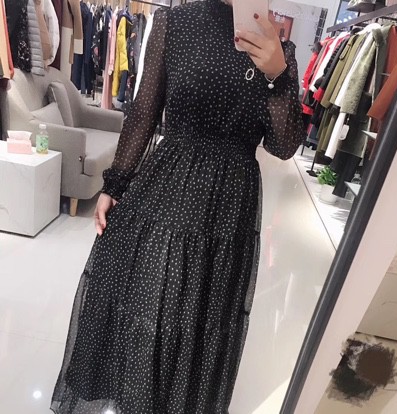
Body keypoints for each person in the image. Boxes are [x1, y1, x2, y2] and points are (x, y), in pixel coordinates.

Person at [51, 0, 304, 413]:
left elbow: (284, 145)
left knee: (201, 319)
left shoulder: (279, 47)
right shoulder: (175, 23)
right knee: (150, 304)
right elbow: (144, 111)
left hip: (229, 206)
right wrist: (115, 183)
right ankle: (135, 400)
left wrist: (277, 76)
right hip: (168, 187)